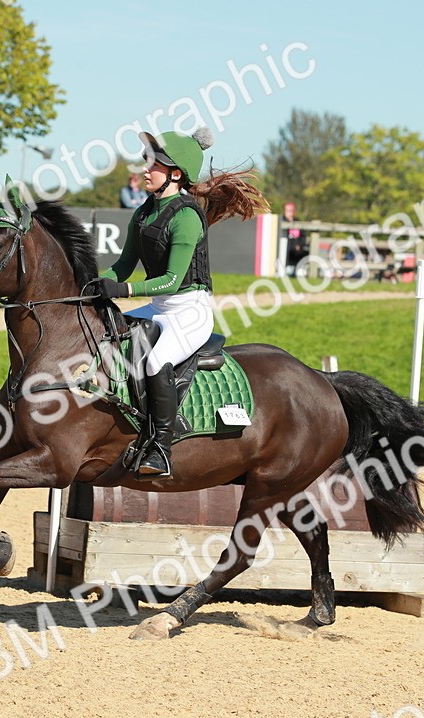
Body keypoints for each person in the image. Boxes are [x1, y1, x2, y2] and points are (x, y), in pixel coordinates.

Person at [93, 127, 268, 479]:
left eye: (153, 162)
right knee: (107, 335)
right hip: (159, 307)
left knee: (156, 361)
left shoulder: (187, 217)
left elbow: (172, 280)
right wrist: (93, 282)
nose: (145, 168)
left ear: (175, 173)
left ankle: (161, 447)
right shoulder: (143, 213)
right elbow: (123, 266)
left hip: (188, 311)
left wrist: (124, 291)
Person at [280, 202, 309, 277]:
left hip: (297, 250)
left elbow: (303, 236)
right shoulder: (281, 221)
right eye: (287, 210)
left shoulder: (297, 222)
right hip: (285, 250)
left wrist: (300, 245)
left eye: (290, 210)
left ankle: (298, 270)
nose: (288, 212)